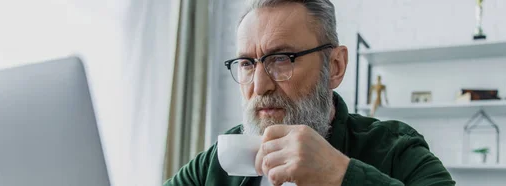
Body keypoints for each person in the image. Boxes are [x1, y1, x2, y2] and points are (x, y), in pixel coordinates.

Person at [164, 0, 455, 185]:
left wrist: (339, 175)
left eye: (282, 59)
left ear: (336, 66)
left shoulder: (393, 150)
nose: (259, 85)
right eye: (247, 63)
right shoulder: (219, 161)